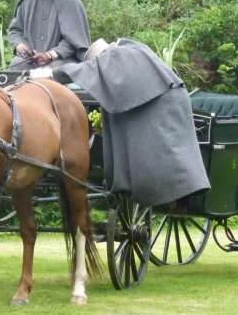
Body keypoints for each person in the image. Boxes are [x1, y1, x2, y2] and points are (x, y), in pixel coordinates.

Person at [48, 38, 211, 207]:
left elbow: (85, 70)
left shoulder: (120, 54)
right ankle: (175, 193)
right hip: (166, 99)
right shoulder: (128, 53)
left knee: (169, 154)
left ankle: (180, 194)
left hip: (165, 103)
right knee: (166, 152)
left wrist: (52, 73)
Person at [7, 0, 91, 71]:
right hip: (30, 60)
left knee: (50, 74)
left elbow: (75, 41)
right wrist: (20, 45)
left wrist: (50, 55)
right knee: (16, 66)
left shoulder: (72, 1)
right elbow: (15, 30)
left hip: (62, 60)